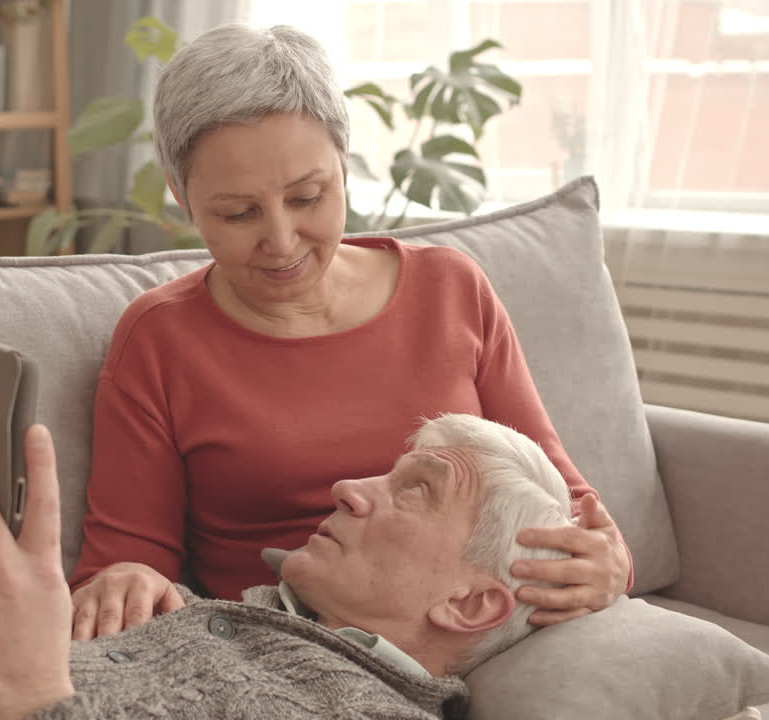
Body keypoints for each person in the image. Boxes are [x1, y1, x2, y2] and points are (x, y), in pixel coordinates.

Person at [67, 22, 632, 640]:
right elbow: (123, 565)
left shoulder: (450, 291)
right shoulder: (159, 340)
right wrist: (126, 583)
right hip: (270, 650)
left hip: (470, 641)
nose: (281, 242)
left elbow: (562, 501)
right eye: (238, 213)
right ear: (181, 195)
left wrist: (608, 562)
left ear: (343, 163)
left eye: (308, 197)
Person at [0, 412, 578, 719]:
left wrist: (32, 693)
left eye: (415, 489)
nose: (350, 486)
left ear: (472, 603)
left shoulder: (355, 708)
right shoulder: (205, 616)